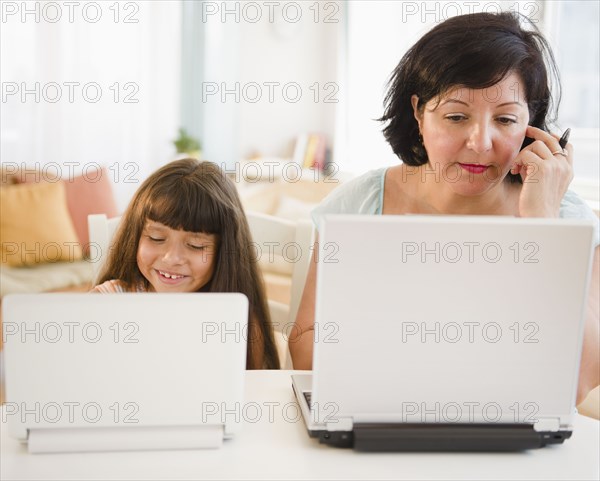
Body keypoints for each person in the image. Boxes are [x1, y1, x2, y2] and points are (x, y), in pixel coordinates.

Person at [289, 11, 600, 404]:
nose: (481, 142)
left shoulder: (564, 215)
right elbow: (306, 354)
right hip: (381, 415)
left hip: (508, 435)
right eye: (456, 116)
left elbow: (576, 382)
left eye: (505, 119)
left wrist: (542, 225)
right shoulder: (360, 202)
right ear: (419, 112)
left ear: (531, 126)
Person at [93, 158, 280, 370]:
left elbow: (247, 391)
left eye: (195, 245)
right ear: (135, 237)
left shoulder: (237, 320)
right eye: (155, 238)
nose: (171, 258)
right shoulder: (106, 302)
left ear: (225, 253)